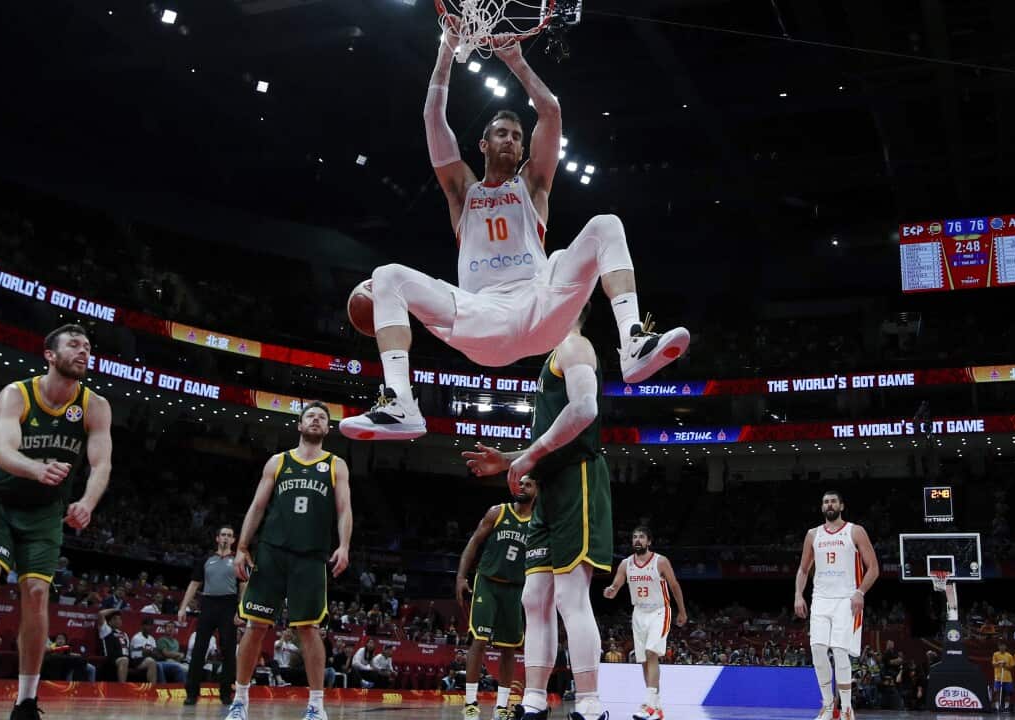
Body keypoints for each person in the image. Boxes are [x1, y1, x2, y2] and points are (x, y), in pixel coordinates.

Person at [339, 23, 689, 443]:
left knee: (605, 226)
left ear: (524, 149)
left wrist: (516, 61)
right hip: (484, 316)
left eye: (517, 137)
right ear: (483, 145)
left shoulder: (533, 185)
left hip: (541, 307)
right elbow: (433, 117)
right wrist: (446, 51)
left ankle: (632, 343)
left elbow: (552, 112)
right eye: (501, 134)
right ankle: (400, 402)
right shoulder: (461, 191)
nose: (510, 140)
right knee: (388, 275)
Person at [0, 324, 112, 720]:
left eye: (88, 347)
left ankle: (26, 701)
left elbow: (101, 464)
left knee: (37, 594)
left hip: (44, 513)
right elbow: (3, 451)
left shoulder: (95, 405)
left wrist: (87, 501)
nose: (84, 352)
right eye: (74, 345)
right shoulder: (17, 394)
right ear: (49, 354)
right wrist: (36, 468)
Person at [463, 303, 612, 720]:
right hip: (551, 485)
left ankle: (588, 703)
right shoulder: (554, 354)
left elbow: (585, 410)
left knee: (570, 595)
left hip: (578, 478)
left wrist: (527, 457)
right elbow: (549, 441)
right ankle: (533, 699)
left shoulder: (574, 344)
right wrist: (511, 458)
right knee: (535, 597)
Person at [228, 401, 353, 720]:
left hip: (311, 557)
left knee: (309, 629)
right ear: (299, 425)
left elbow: (344, 510)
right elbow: (257, 506)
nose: (315, 420)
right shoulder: (278, 462)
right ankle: (240, 700)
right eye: (310, 416)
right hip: (272, 552)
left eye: (321, 418)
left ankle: (316, 706)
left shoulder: (336, 464)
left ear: (327, 429)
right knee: (255, 626)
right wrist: (242, 546)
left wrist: (345, 545)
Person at [455, 476, 536, 720]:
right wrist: (460, 577)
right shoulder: (498, 512)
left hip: (515, 589)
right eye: (520, 483)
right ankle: (470, 703)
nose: (521, 487)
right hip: (487, 582)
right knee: (479, 639)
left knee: (509, 647)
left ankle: (501, 707)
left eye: (528, 484)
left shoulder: (537, 523)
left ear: (537, 491)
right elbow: (474, 542)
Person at [794, 491, 879, 720]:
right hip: (820, 599)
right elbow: (803, 569)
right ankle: (828, 705)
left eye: (833, 501)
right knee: (818, 650)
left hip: (846, 599)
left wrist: (860, 592)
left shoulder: (855, 531)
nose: (829, 504)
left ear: (841, 505)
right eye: (825, 502)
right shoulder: (813, 534)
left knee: (840, 651)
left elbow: (873, 568)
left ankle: (847, 708)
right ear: (822, 507)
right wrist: (798, 595)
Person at [603, 527, 688, 720]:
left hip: (659, 610)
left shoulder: (661, 561)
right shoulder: (625, 564)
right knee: (643, 660)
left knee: (651, 653)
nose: (637, 540)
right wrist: (610, 590)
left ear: (649, 541)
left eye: (641, 537)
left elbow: (674, 586)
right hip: (639, 613)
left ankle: (648, 704)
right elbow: (616, 584)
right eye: (634, 537)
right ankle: (656, 709)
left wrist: (682, 611)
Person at [179, 525, 239, 705]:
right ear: (217, 538)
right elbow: (194, 584)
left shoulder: (237, 560)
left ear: (233, 540)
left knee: (228, 651)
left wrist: (241, 611)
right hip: (208, 604)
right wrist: (183, 607)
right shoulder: (205, 559)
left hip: (229, 605)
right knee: (199, 649)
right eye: (223, 535)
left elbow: (244, 586)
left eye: (229, 535)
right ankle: (191, 693)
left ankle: (226, 694)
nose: (226, 538)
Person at [992, 641, 1015, 712]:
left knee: (1007, 693)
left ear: (1006, 647)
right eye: (1000, 646)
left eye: (1003, 646)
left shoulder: (1009, 656)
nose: (1002, 647)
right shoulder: (995, 654)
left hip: (1007, 678)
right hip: (998, 677)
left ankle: (1006, 707)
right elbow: (993, 664)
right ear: (998, 647)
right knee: (997, 692)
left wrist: (1005, 666)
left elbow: (1012, 667)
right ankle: (997, 706)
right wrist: (999, 663)